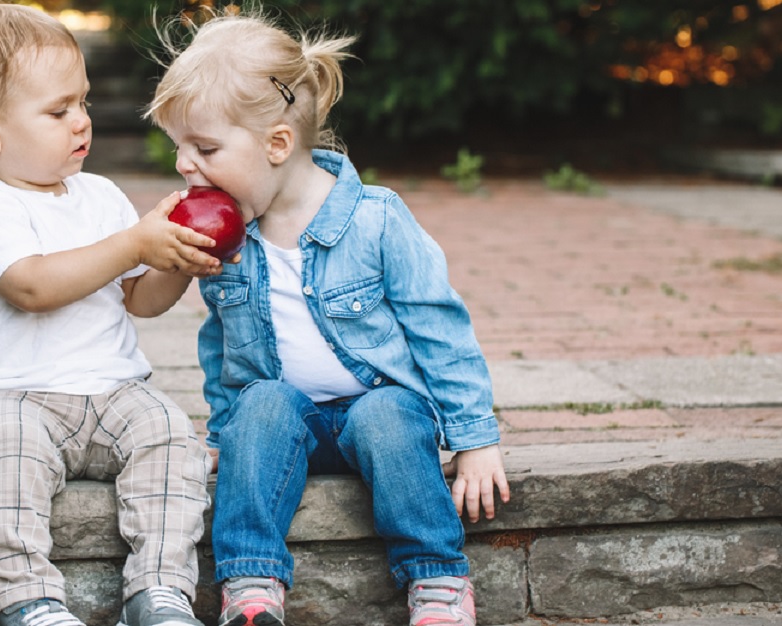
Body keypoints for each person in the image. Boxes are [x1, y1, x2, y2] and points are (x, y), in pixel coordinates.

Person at [146, 10, 512, 626]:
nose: (185, 164)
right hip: (292, 422)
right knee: (259, 406)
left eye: (205, 148)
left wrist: (476, 440)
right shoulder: (230, 238)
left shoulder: (377, 219)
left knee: (390, 415)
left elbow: (441, 331)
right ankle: (252, 584)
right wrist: (221, 433)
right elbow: (223, 343)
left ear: (277, 144)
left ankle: (438, 579)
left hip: (378, 410)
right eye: (179, 147)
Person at [0, 3, 221, 626]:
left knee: (171, 435)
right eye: (58, 111)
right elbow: (31, 286)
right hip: (14, 397)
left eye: (84, 102)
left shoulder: (99, 195)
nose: (82, 121)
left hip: (113, 391)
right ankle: (28, 598)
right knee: (4, 454)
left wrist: (175, 259)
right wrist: (133, 244)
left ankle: (159, 592)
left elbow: (141, 300)